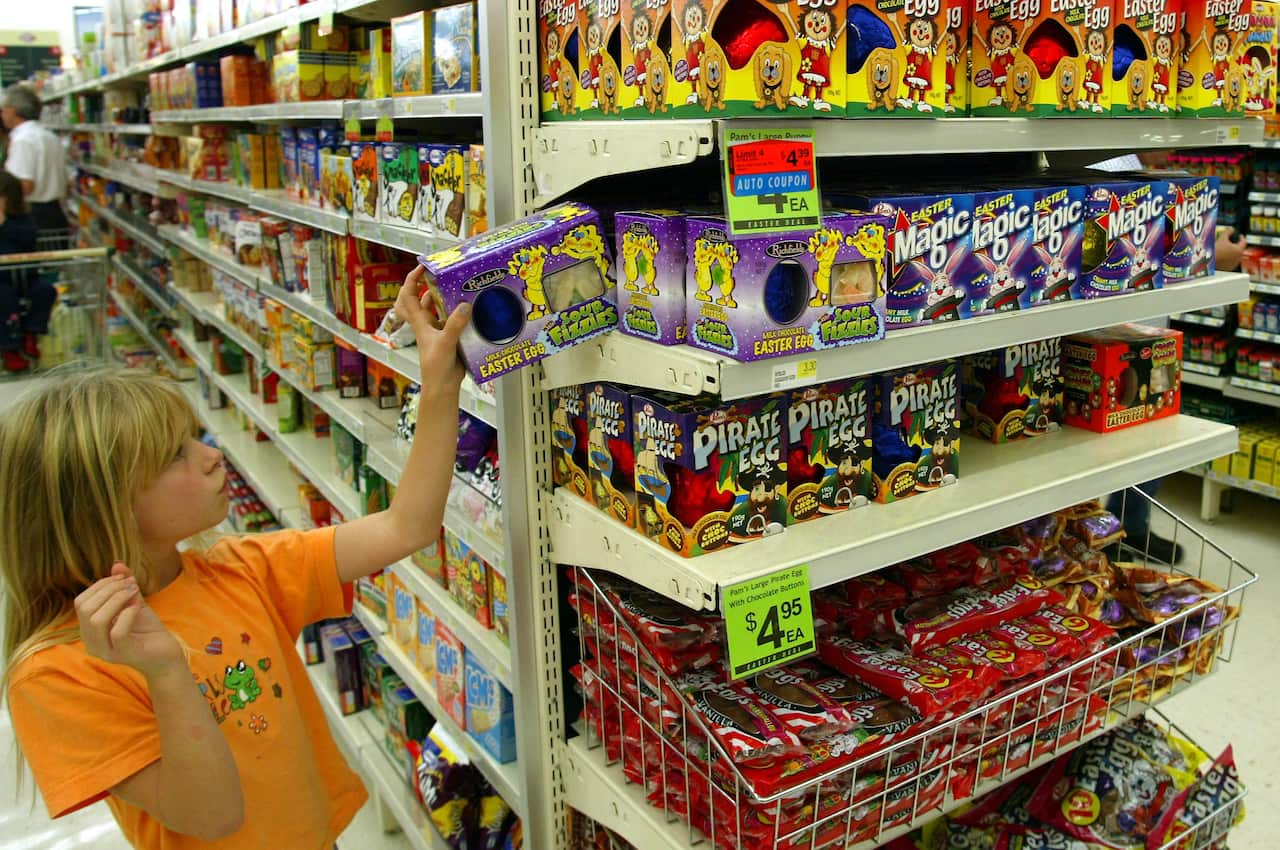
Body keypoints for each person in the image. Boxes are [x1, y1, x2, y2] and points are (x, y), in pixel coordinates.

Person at [1, 272, 470, 848]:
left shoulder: (240, 569)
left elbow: (407, 526)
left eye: (197, 436)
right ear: (101, 506)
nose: (210, 456)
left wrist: (440, 382)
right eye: (176, 454)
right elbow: (212, 817)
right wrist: (167, 670)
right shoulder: (58, 672)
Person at [1104, 226, 1247, 565]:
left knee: (1156, 439)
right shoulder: (1095, 174)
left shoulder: (1138, 172)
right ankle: (1081, 538)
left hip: (1158, 340)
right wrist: (1208, 258)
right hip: (1106, 340)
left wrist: (1200, 246)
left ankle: (1130, 528)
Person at [0, 170, 54, 372]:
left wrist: (4, 224)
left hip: (26, 277)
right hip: (2, 281)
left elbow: (28, 240)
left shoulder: (22, 220)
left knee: (46, 291)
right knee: (5, 300)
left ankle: (32, 332)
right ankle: (9, 348)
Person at [1, 83, 69, 237]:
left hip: (33, 216)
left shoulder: (23, 140)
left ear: (13, 111)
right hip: (54, 212)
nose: (2, 115)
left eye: (3, 110)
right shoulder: (49, 136)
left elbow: (24, 186)